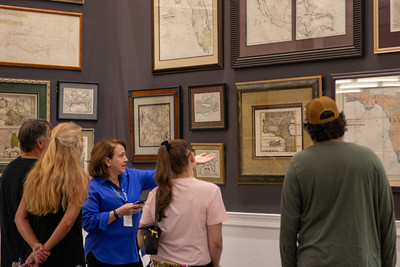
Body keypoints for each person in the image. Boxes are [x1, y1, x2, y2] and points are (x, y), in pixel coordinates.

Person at [279, 96, 397, 267]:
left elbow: (288, 231)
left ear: (310, 128)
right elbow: (387, 223)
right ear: (341, 122)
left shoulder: (299, 165)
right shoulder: (370, 160)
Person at [82, 139, 216, 267]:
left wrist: (187, 163)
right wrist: (118, 213)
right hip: (103, 255)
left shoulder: (132, 176)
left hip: (131, 253)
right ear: (107, 161)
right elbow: (88, 223)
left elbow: (159, 175)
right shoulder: (92, 187)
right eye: (121, 156)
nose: (126, 159)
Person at [138, 139, 228, 267]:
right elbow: (216, 243)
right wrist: (216, 264)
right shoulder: (210, 191)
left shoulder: (157, 193)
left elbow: (141, 239)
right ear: (191, 156)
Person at [14, 122, 89, 267]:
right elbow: (67, 222)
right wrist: (44, 250)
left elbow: (19, 217)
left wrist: (36, 247)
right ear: (74, 146)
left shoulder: (35, 175)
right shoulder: (79, 178)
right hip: (67, 254)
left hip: (36, 256)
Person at [0, 119, 52, 267]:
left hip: (10, 254)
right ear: (40, 143)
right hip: (32, 256)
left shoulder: (10, 168)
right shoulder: (40, 172)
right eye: (51, 136)